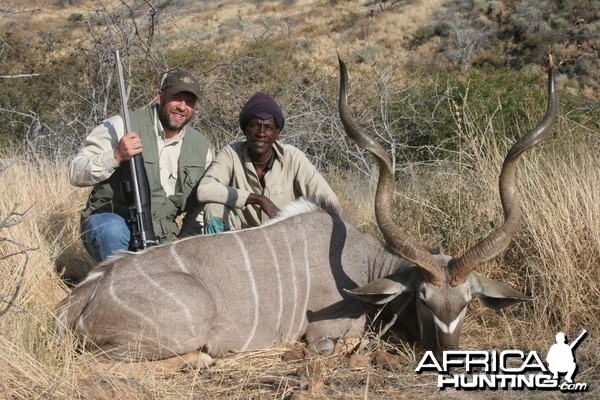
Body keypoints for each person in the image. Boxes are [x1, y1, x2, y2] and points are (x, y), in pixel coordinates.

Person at [70, 69, 212, 262]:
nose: (182, 107)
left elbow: (204, 201)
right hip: (112, 221)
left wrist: (184, 237)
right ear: (159, 96)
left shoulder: (202, 146)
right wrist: (116, 155)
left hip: (163, 235)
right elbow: (76, 172)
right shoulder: (121, 125)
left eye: (189, 102)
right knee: (112, 231)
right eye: (176, 98)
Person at [197, 91, 340, 233]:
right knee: (214, 208)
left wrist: (298, 222)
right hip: (241, 241)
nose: (261, 133)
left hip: (284, 237)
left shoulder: (293, 157)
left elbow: (331, 203)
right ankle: (223, 256)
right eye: (254, 125)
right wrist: (258, 199)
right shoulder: (231, 153)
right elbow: (204, 190)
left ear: (278, 133)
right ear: (245, 129)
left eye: (269, 127)